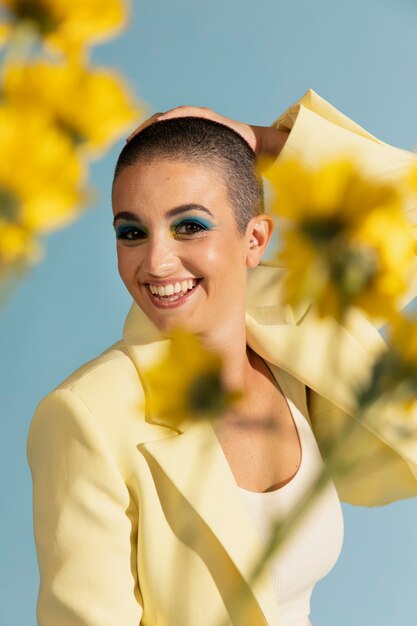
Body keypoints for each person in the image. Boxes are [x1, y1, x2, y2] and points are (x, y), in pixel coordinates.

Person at [28, 89, 417, 626]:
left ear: (255, 239)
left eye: (190, 225)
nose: (157, 261)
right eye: (132, 232)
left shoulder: (300, 331)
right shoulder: (85, 415)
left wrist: (257, 141)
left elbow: (407, 205)